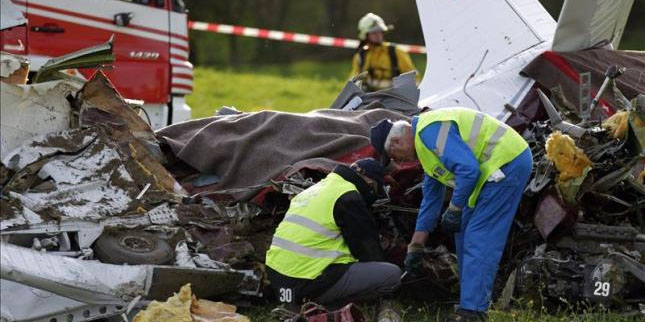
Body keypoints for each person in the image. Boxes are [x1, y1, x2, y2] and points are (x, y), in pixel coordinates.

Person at [369, 108, 532, 321]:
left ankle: (473, 312)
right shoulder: (426, 149)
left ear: (397, 142)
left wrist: (454, 209)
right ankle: (468, 302)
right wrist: (416, 246)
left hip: (507, 162)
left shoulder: (429, 131)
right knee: (463, 231)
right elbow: (430, 201)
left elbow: (468, 169)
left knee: (478, 235)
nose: (398, 163)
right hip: (490, 174)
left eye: (393, 157)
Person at [265, 158, 401, 309]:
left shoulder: (316, 189)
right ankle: (325, 308)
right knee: (391, 275)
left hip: (280, 282)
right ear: (370, 183)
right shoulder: (348, 196)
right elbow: (368, 251)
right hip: (306, 283)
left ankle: (295, 303)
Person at [349, 13, 417, 92]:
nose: (378, 35)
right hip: (370, 100)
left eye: (380, 31)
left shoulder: (396, 52)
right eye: (374, 32)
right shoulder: (361, 56)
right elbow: (353, 82)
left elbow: (413, 78)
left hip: (396, 98)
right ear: (365, 35)